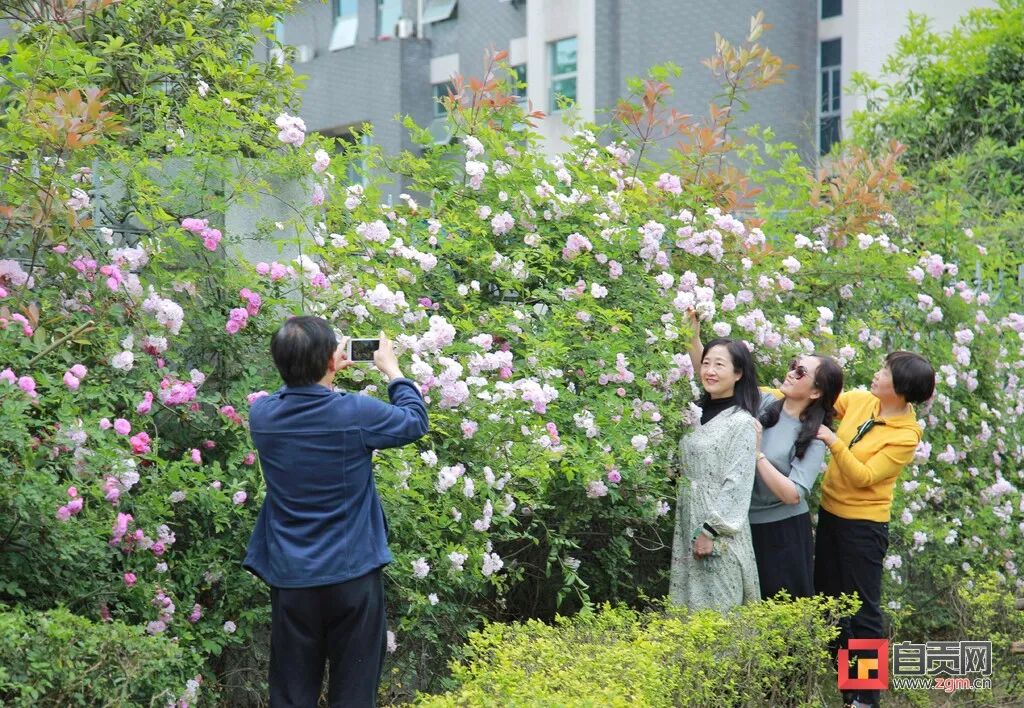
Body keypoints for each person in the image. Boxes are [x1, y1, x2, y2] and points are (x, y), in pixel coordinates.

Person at [244, 316, 429, 707]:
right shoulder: (356, 413)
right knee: (355, 693)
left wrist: (320, 372)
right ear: (332, 360)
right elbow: (414, 422)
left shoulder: (262, 417)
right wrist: (392, 370)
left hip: (292, 578)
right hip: (353, 576)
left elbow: (291, 397)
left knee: (292, 694)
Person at [813, 351, 935, 708]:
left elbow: (864, 477)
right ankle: (847, 687)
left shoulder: (905, 436)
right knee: (829, 600)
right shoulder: (861, 401)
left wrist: (833, 442)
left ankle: (865, 697)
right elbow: (820, 401)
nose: (876, 374)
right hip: (831, 515)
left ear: (900, 389)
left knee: (863, 612)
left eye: (884, 371)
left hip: (864, 527)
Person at [670, 336, 761, 612]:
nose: (710, 370)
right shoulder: (693, 413)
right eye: (706, 363)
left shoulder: (742, 422)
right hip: (687, 518)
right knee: (687, 609)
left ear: (738, 373)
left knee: (718, 611)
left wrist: (710, 531)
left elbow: (737, 484)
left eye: (719, 365)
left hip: (718, 529)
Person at [751, 354, 843, 599]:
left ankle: (865, 641)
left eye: (801, 372)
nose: (791, 373)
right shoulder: (764, 403)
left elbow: (793, 494)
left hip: (781, 532)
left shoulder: (815, 436)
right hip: (744, 525)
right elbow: (715, 379)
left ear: (815, 392)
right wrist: (693, 338)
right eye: (793, 366)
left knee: (781, 614)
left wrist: (758, 454)